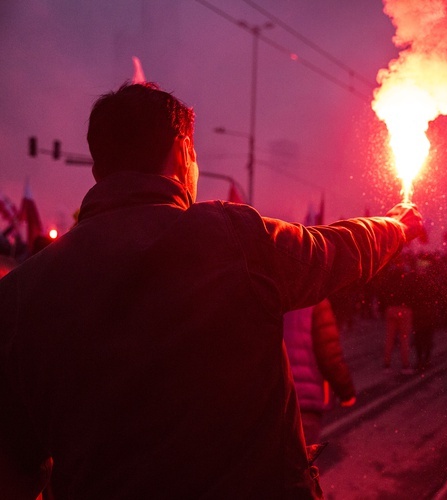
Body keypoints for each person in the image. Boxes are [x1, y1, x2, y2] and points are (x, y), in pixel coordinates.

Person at [0, 82, 423, 499]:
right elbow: (335, 251)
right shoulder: (232, 238)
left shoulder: (21, 294)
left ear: (98, 168)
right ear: (183, 153)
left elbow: (12, 469)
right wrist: (396, 226)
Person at [283, 298, 356, 445]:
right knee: (304, 461)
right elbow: (329, 353)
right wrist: (346, 392)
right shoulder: (315, 300)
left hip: (274, 399)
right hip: (305, 400)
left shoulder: (267, 292)